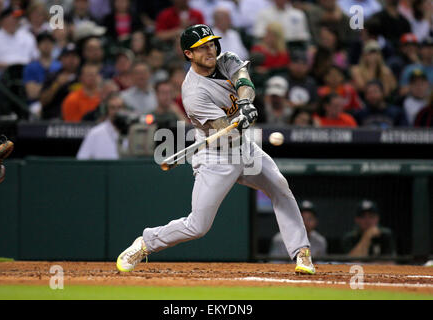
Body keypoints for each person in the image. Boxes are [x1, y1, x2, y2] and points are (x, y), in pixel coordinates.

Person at [116, 24, 315, 275]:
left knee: (279, 187)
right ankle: (145, 243)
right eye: (202, 48)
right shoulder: (193, 92)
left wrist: (245, 103)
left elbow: (244, 80)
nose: (210, 50)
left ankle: (301, 252)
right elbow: (222, 130)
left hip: (244, 148)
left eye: (211, 44)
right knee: (198, 226)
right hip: (217, 156)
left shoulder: (226, 59)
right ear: (189, 54)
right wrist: (238, 123)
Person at [0, 7, 38, 71]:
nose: (16, 20)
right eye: (13, 18)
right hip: (2, 74)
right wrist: (7, 66)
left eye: (18, 18)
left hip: (26, 73)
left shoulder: (28, 36)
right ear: (4, 19)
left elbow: (36, 58)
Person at [76, 93, 126, 160]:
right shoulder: (95, 133)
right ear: (106, 110)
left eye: (119, 107)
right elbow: (81, 160)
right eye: (112, 108)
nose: (116, 111)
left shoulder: (133, 131)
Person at [22, 32, 62, 115]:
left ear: (53, 45)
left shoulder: (60, 65)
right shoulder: (31, 67)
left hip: (58, 102)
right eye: (43, 42)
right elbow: (32, 94)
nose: (46, 45)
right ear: (37, 46)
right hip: (37, 103)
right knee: (36, 110)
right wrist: (55, 86)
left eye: (49, 42)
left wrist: (41, 87)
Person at [40, 43, 81, 120]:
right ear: (61, 59)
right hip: (55, 117)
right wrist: (57, 85)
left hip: (79, 118)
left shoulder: (83, 77)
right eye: (67, 56)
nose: (71, 60)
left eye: (74, 56)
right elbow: (43, 101)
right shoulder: (53, 76)